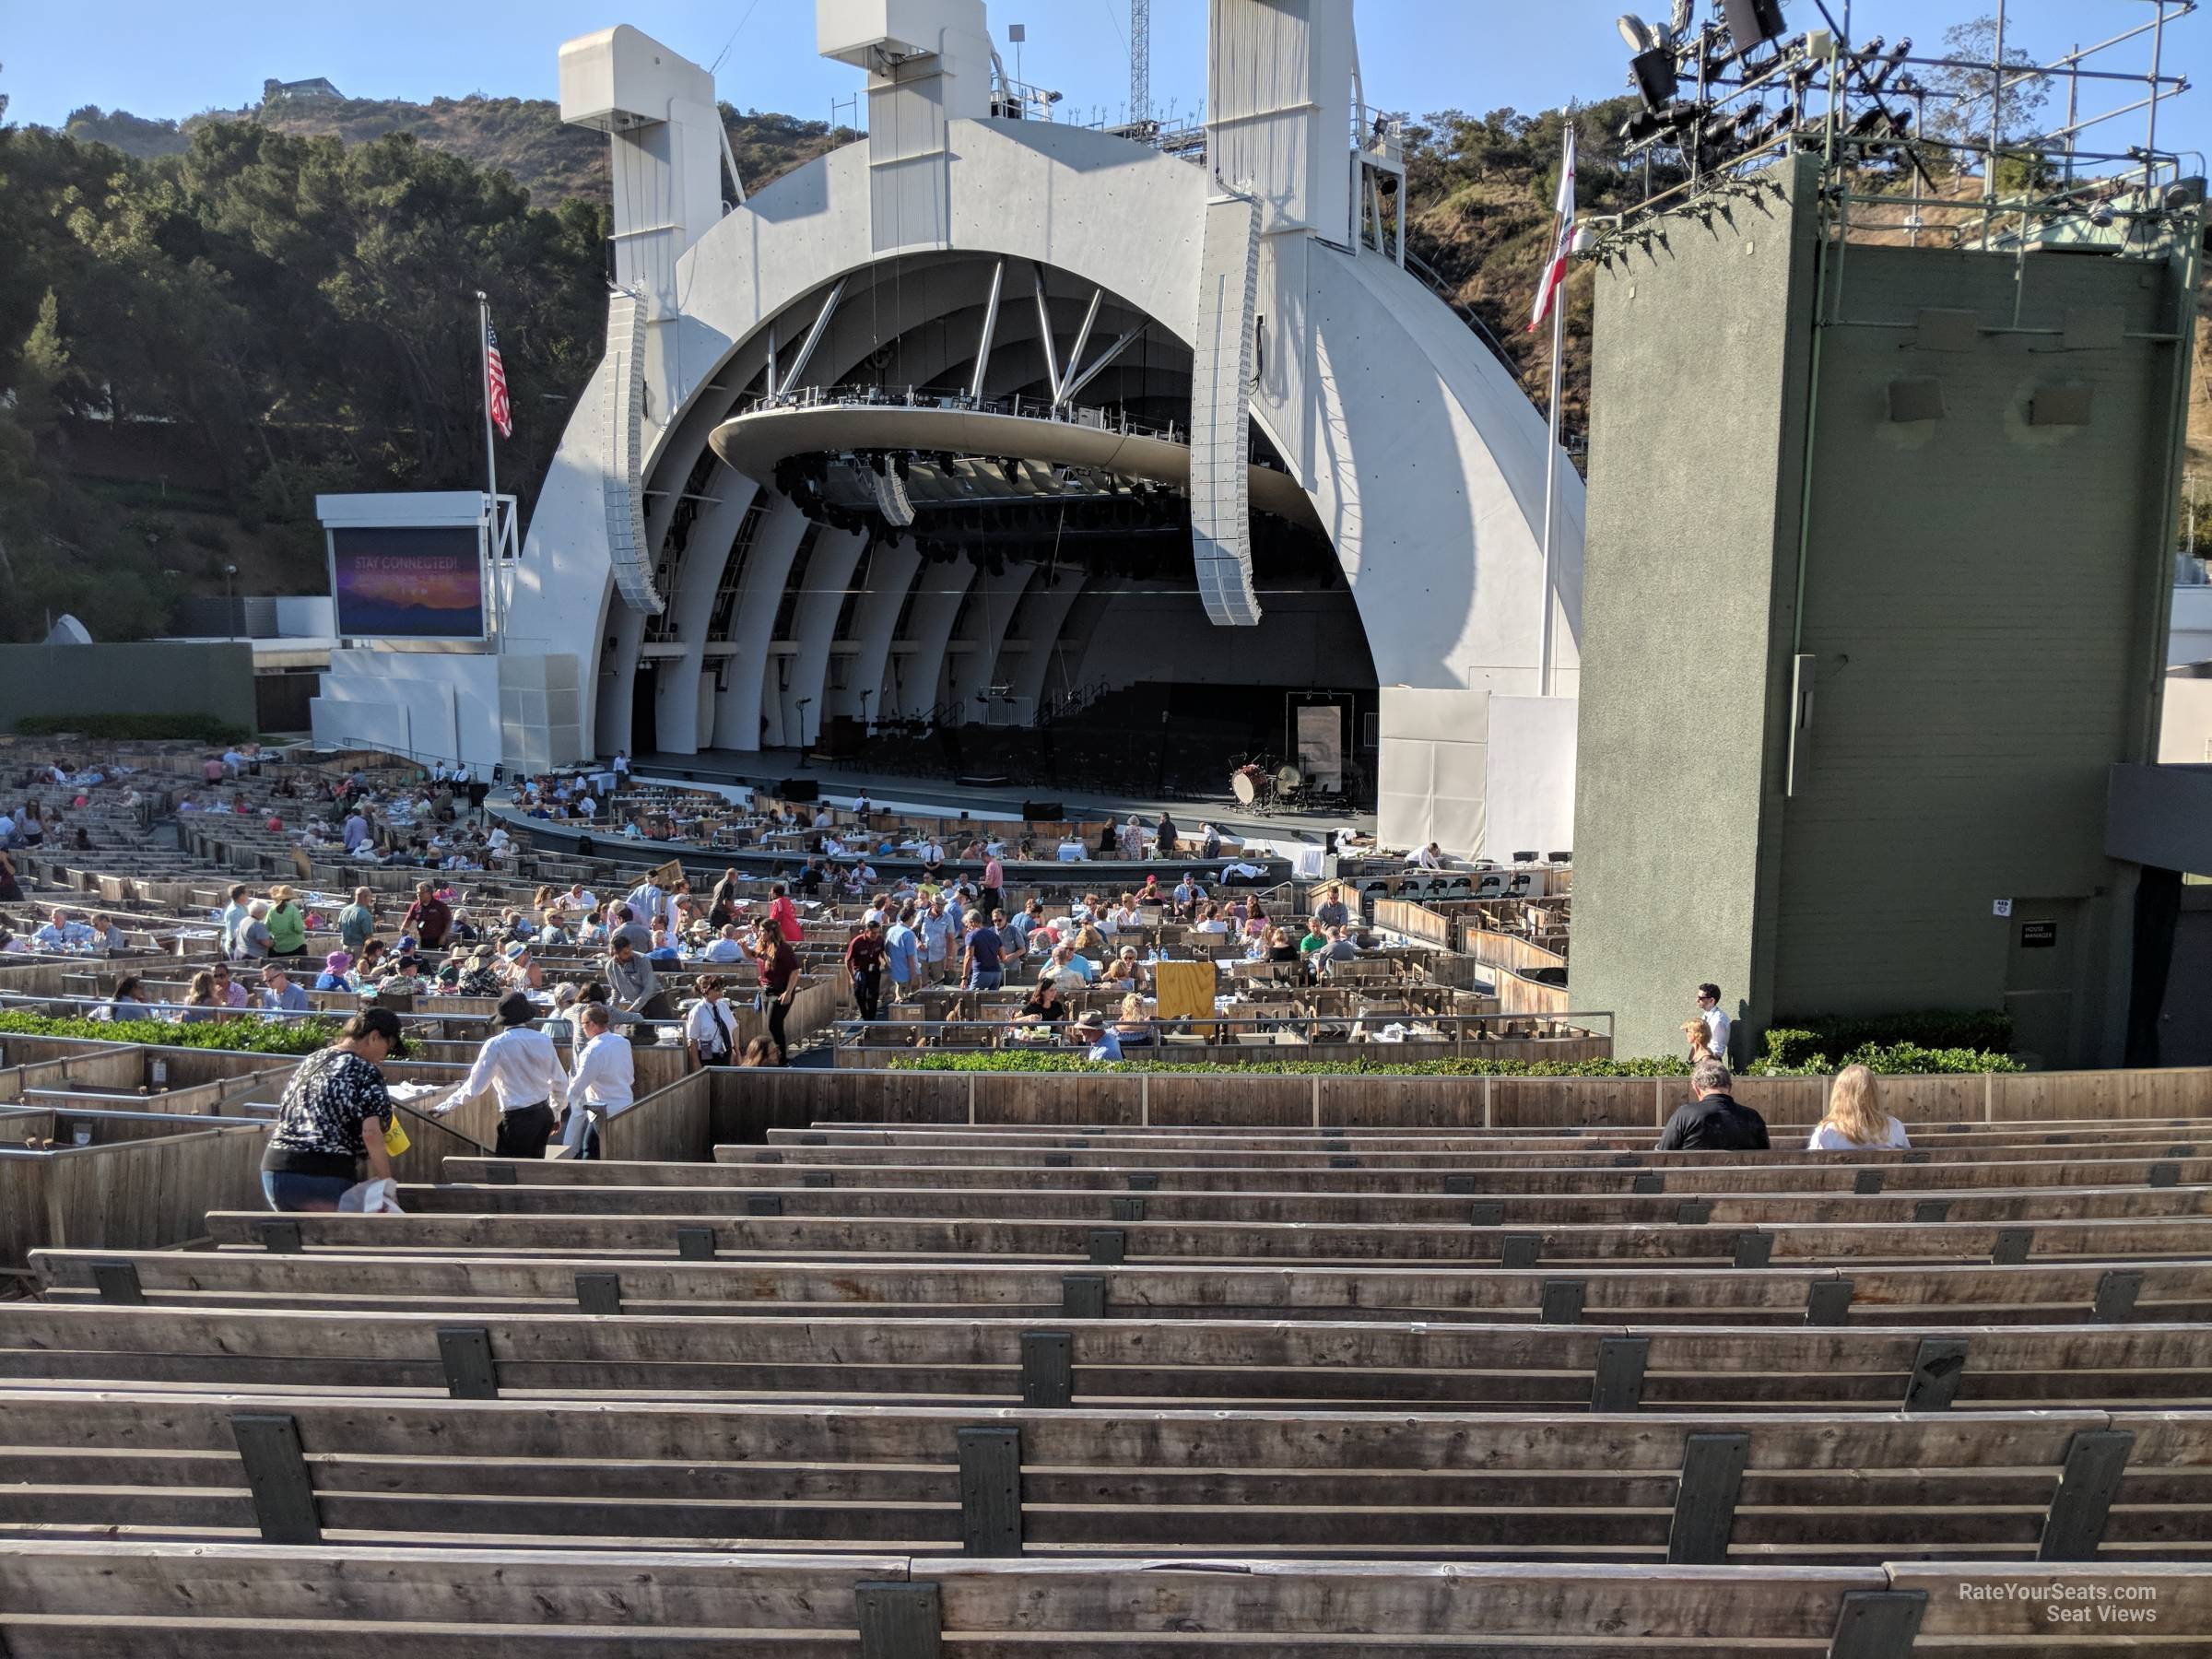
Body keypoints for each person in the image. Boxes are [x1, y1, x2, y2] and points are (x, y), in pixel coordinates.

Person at [260, 1008, 402, 1211]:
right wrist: (387, 1185)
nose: (385, 1056)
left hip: (274, 1171)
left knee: (299, 1240)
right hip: (323, 1173)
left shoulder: (312, 1060)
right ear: (374, 1037)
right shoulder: (364, 1070)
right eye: (388, 1046)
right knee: (347, 1239)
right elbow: (371, 1133)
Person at [461, 992, 571, 1159]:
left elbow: (474, 1087)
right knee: (534, 1167)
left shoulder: (495, 1045)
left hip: (518, 1119)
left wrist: (445, 1106)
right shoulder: (543, 1039)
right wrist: (556, 1112)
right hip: (542, 1114)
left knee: (508, 1173)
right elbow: (560, 1082)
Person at [561, 1001, 636, 1159]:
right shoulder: (623, 1042)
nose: (582, 1027)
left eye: (583, 1024)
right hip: (626, 1106)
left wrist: (561, 1104)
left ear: (593, 1024)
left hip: (603, 1112)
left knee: (590, 1152)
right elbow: (630, 1077)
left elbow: (578, 1085)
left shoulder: (592, 1051)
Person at [1655, 1059, 1771, 1152]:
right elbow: (1766, 1156)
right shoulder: (1753, 1117)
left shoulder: (1684, 1115)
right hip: (1747, 1181)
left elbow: (1662, 1154)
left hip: (1691, 1180)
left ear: (1697, 1089)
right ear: (1730, 1087)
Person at [1807, 1063, 1911, 1151]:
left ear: (1839, 1095)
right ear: (1874, 1093)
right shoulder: (1895, 1127)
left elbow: (1812, 1166)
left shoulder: (1827, 1132)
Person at [751, 918, 802, 1063]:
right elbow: (754, 956)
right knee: (774, 1025)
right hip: (766, 989)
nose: (759, 933)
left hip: (780, 990)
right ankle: (776, 1055)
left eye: (761, 931)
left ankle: (781, 1057)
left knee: (773, 1025)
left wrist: (788, 991)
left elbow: (794, 971)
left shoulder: (784, 949)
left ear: (770, 932)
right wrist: (744, 948)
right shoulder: (762, 945)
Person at [606, 935, 678, 1024]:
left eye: (631, 950)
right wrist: (612, 1010)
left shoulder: (642, 960)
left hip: (655, 1001)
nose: (630, 954)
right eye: (625, 953)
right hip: (636, 1005)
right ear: (615, 953)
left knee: (666, 1029)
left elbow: (648, 989)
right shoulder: (610, 967)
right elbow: (616, 990)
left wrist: (632, 1010)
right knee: (639, 1035)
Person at [686, 974, 739, 1066]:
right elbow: (693, 1040)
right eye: (717, 989)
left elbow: (734, 1029)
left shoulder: (724, 1006)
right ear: (706, 990)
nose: (720, 992)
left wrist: (737, 1053)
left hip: (726, 1053)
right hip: (708, 1056)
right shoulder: (697, 1012)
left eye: (721, 989)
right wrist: (696, 1064)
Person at [845, 919, 887, 1020]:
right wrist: (852, 977)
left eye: (877, 933)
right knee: (860, 993)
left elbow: (882, 951)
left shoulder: (880, 940)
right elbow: (847, 960)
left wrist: (885, 962)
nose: (875, 935)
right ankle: (864, 1014)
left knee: (873, 995)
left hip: (874, 970)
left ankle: (871, 1018)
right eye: (873, 933)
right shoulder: (857, 942)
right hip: (861, 970)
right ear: (867, 931)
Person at [404, 881, 453, 950]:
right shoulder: (415, 906)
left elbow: (449, 920)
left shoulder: (440, 906)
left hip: (439, 940)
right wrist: (403, 929)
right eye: (417, 893)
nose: (418, 895)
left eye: (421, 893)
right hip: (422, 940)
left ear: (429, 893)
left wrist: (444, 936)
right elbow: (408, 920)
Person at [963, 911, 1005, 991]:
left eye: (967, 923)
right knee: (991, 1001)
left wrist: (964, 978)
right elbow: (1003, 957)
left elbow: (968, 956)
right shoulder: (994, 935)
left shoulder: (971, 935)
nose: (966, 926)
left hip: (981, 973)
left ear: (972, 922)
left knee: (971, 1000)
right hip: (996, 974)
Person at [265, 887, 308, 959]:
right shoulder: (293, 909)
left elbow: (266, 927)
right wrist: (304, 926)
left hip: (278, 948)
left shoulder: (271, 910)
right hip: (296, 947)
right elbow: (298, 929)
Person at [1695, 983, 1732, 1064]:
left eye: (1700, 998)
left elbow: (1716, 1050)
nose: (1697, 1000)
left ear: (1712, 1000)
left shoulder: (1718, 1020)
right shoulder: (1707, 1014)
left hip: (1711, 1063)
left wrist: (1705, 1064)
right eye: (1697, 997)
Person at [335, 888, 377, 954]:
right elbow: (368, 935)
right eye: (370, 896)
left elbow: (339, 927)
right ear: (365, 897)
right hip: (359, 948)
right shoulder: (365, 914)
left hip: (345, 947)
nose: (371, 899)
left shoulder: (345, 910)